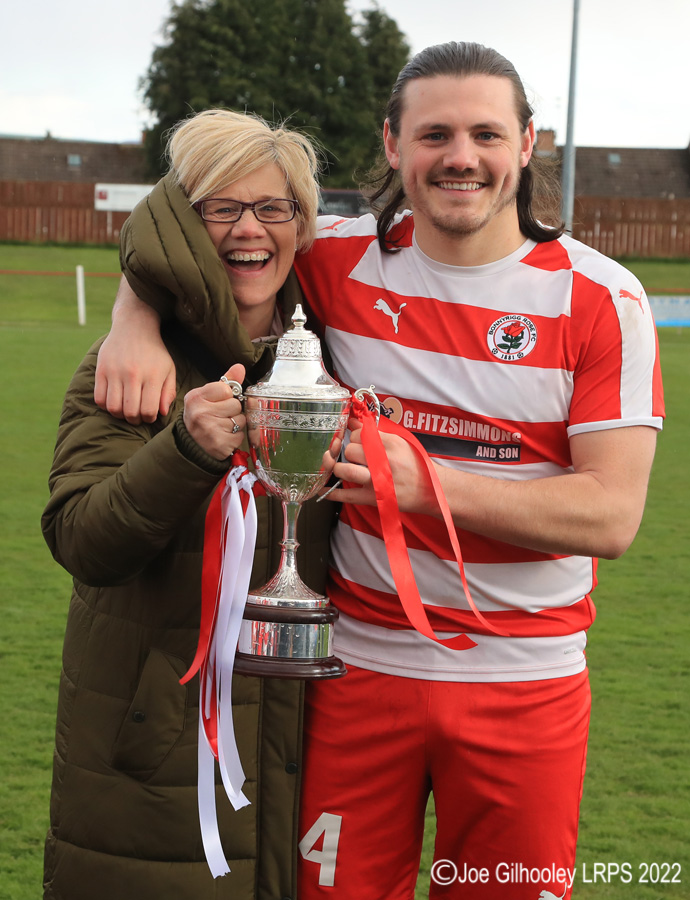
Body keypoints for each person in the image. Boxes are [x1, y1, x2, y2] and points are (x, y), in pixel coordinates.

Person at [94, 43, 664, 900]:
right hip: (357, 673)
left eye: (485, 133)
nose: (461, 157)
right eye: (434, 134)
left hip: (525, 683)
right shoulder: (336, 257)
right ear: (393, 145)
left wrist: (421, 485)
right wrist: (132, 317)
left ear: (528, 143)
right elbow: (194, 243)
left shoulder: (601, 299)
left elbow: (611, 516)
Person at [41, 109, 336, 900]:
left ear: (300, 223)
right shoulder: (129, 370)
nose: (250, 229)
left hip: (313, 750)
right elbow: (83, 540)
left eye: (273, 208)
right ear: (183, 221)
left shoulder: (333, 361)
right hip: (160, 761)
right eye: (220, 208)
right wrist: (186, 451)